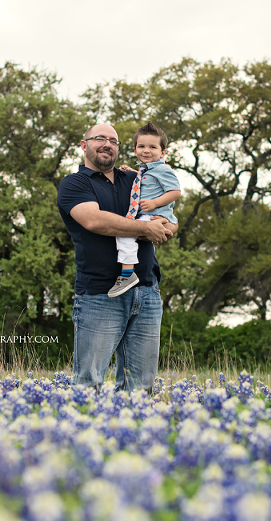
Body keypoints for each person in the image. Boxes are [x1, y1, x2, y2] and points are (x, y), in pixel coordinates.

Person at [56, 123, 177, 392]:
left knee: (142, 388)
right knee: (89, 384)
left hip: (146, 291)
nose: (107, 144)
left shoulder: (134, 180)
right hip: (100, 293)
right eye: (100, 138)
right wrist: (146, 228)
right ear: (83, 144)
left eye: (113, 140)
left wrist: (163, 226)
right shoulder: (75, 183)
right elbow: (94, 221)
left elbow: (168, 220)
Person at [108, 122, 181, 297]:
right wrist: (133, 171)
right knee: (135, 238)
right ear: (135, 149)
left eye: (152, 147)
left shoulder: (164, 169)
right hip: (148, 214)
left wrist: (155, 203)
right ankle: (132, 271)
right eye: (141, 146)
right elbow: (147, 181)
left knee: (125, 232)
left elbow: (175, 192)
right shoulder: (145, 170)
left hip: (154, 214)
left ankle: (127, 274)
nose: (146, 150)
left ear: (163, 152)